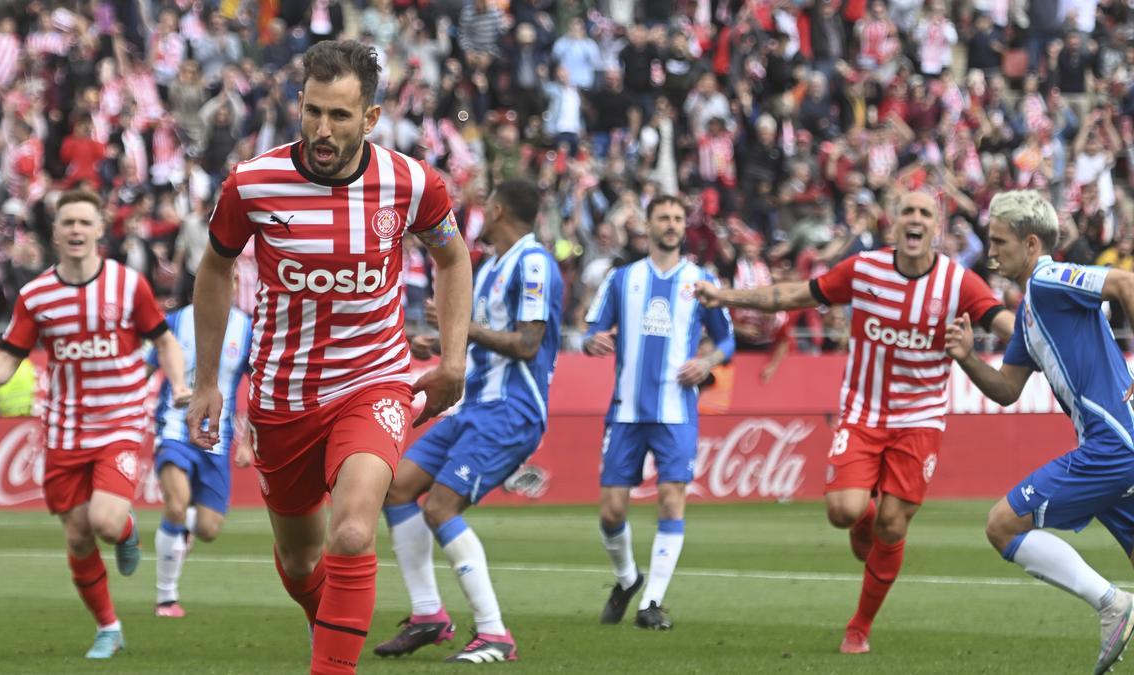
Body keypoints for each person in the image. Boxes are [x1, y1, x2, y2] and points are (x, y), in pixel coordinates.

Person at [184, 40, 472, 675]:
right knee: (300, 563)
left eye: (340, 116)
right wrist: (207, 380)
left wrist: (454, 360)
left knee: (351, 533)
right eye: (312, 111)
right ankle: (334, 639)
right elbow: (214, 271)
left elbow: (453, 257)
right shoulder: (253, 183)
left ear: (369, 119)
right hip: (283, 398)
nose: (322, 129)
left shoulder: (411, 181)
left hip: (374, 383)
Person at [694, 189, 1015, 653]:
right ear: (893, 223)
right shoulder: (864, 270)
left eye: (926, 213)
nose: (916, 219)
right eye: (908, 210)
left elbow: (1003, 321)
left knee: (892, 527)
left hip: (921, 417)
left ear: (937, 228)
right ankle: (866, 516)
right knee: (844, 512)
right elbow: (790, 295)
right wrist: (723, 295)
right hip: (863, 411)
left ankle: (858, 627)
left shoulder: (957, 282)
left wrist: (1045, 338)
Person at [0, 188, 190, 659]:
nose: (76, 230)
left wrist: (179, 383)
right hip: (64, 428)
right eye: (68, 223)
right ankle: (109, 627)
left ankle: (123, 530)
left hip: (120, 419)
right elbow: (9, 357)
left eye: (85, 222)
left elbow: (164, 341)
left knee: (103, 520)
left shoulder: (126, 285)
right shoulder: (37, 296)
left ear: (101, 229)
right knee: (78, 535)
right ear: (55, 233)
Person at [373, 177, 563, 663]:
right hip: (475, 407)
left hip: (512, 410)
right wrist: (437, 344)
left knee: (440, 508)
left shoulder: (533, 262)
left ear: (497, 210)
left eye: (483, 206)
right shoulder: (495, 266)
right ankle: (428, 615)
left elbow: (526, 344)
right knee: (395, 487)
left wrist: (466, 329)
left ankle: (494, 634)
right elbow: (480, 342)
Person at [944, 190, 1134, 674]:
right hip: (1115, 448)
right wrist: (967, 357)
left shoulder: (1049, 279)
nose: (991, 252)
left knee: (1003, 524)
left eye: (999, 241)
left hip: (1112, 446)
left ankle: (1113, 603)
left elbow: (1126, 284)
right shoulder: (1030, 312)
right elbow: (1007, 389)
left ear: (1031, 244)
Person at [582, 194, 736, 630]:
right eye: (662, 218)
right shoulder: (622, 279)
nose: (670, 225)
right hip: (626, 410)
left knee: (672, 499)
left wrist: (706, 363)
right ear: (647, 226)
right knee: (611, 511)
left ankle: (652, 602)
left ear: (684, 227)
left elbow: (726, 340)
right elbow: (592, 328)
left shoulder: (700, 280)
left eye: (676, 218)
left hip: (676, 411)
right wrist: (589, 341)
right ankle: (628, 578)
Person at [147, 299, 254, 618]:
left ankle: (185, 529)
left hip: (216, 440)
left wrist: (248, 441)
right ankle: (166, 597)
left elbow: (261, 385)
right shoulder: (175, 321)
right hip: (175, 427)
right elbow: (145, 367)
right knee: (177, 504)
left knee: (209, 528)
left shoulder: (246, 327)